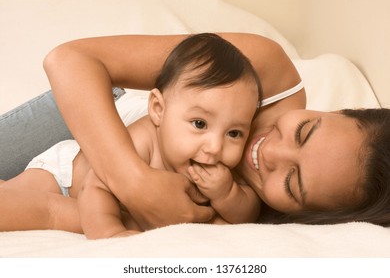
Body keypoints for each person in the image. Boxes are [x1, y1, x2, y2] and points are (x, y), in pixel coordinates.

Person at [2, 33, 390, 230]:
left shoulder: (254, 217)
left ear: (307, 214)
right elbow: (70, 59)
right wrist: (137, 184)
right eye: (304, 131)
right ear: (335, 111)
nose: (268, 153)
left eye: (292, 182)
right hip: (92, 116)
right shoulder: (263, 68)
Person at [0, 33, 263, 238]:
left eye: (234, 133)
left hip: (93, 198)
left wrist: (227, 193)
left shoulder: (220, 169)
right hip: (65, 175)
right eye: (199, 123)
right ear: (159, 110)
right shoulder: (145, 138)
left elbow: (248, 212)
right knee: (10, 204)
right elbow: (96, 186)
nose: (215, 146)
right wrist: (109, 233)